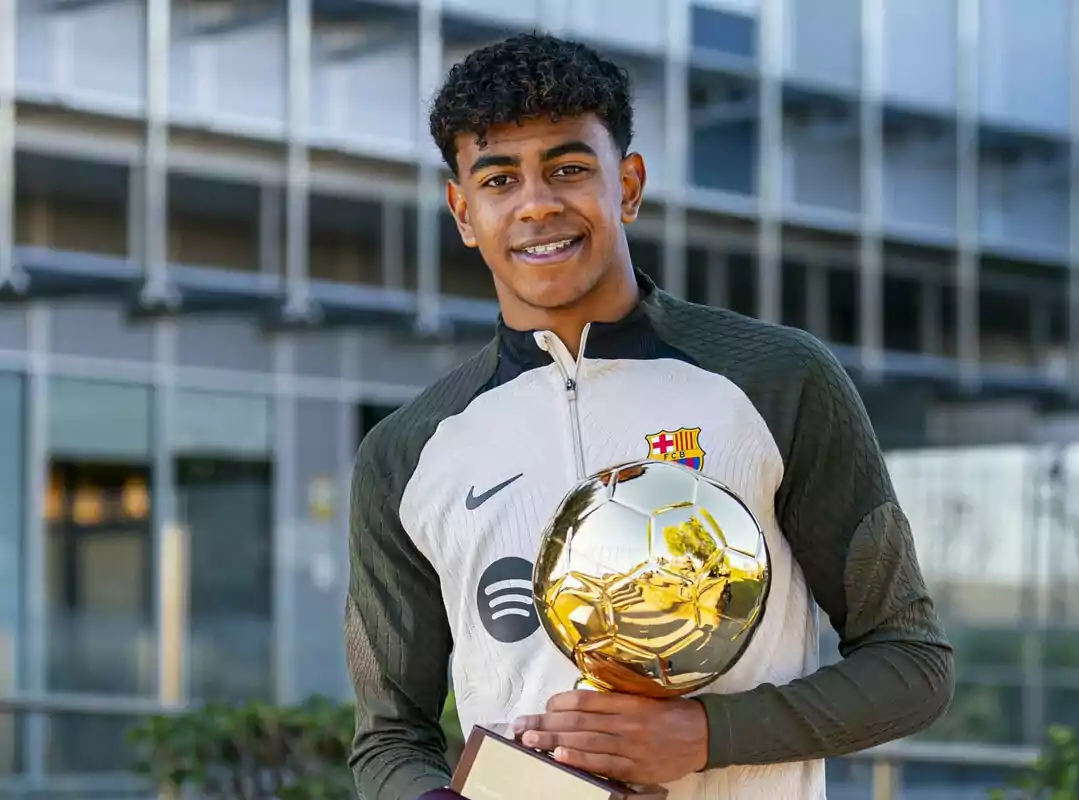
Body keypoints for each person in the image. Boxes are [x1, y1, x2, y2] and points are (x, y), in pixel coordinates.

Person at [345, 32, 954, 800]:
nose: (537, 203)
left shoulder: (775, 380)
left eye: (569, 169)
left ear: (627, 186)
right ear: (464, 211)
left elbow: (913, 665)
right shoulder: (407, 454)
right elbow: (390, 738)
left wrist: (705, 736)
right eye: (500, 179)